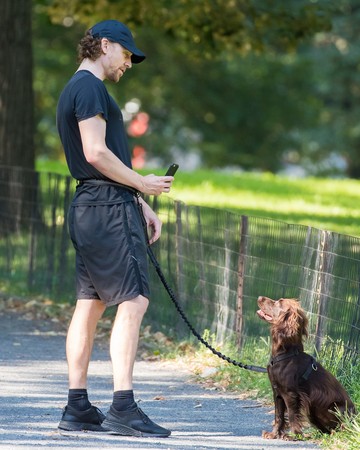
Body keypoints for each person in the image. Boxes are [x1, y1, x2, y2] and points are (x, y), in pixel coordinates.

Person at [56, 19, 174, 438]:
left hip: (92, 204)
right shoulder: (90, 88)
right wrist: (142, 183)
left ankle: (77, 407)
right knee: (135, 299)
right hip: (107, 208)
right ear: (104, 45)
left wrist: (140, 202)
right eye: (126, 54)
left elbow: (99, 163)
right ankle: (123, 405)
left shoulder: (75, 87)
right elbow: (95, 152)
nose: (128, 64)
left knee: (89, 304)